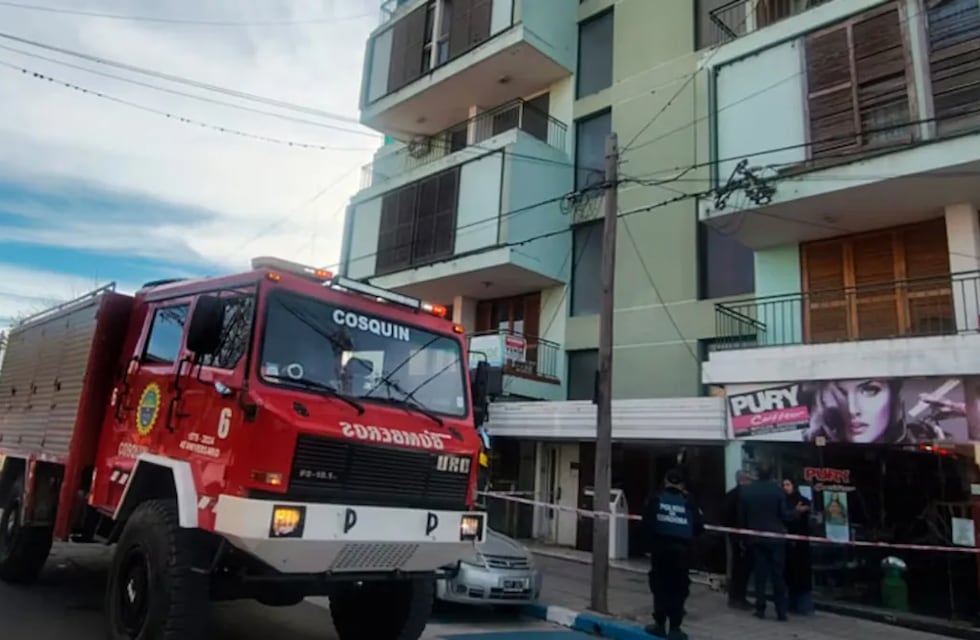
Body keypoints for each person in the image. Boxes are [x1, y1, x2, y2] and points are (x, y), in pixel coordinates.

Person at [642, 468, 704, 640]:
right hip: (682, 554)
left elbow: (646, 524)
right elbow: (699, 527)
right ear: (682, 484)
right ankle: (675, 628)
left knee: (660, 588)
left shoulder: (655, 498)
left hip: (660, 552)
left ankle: (660, 625)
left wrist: (648, 546)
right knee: (679, 589)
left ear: (665, 481)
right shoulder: (689, 501)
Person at [739, 462, 802, 621]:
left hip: (756, 537)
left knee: (760, 574)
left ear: (757, 473)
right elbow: (784, 515)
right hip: (776, 538)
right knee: (777, 576)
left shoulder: (748, 491)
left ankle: (760, 608)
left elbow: (743, 518)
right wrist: (796, 512)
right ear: (772, 474)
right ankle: (781, 611)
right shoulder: (778, 491)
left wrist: (743, 537)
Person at [782, 478, 814, 615]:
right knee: (790, 575)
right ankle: (793, 604)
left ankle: (802, 605)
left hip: (800, 546)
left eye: (788, 484)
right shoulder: (783, 501)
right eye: (783, 485)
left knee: (800, 575)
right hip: (788, 545)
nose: (785, 488)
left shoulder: (801, 500)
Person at [723, 470, 753, 610]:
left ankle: (736, 597)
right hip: (741, 537)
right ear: (743, 480)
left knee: (737, 568)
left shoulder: (731, 495)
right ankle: (738, 597)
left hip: (735, 536)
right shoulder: (742, 496)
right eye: (748, 479)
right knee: (741, 569)